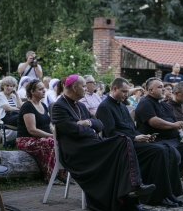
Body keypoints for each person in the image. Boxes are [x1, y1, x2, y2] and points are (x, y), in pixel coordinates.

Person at [52, 75, 156, 211]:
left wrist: (87, 123)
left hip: (91, 145)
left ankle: (131, 200)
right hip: (76, 151)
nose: (87, 89)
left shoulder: (81, 106)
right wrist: (90, 129)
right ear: (74, 87)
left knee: (123, 143)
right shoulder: (59, 107)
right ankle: (133, 188)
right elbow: (74, 131)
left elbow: (99, 125)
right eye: (83, 86)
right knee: (123, 140)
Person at [96, 77, 183, 208]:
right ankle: (157, 197)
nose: (127, 95)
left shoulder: (122, 105)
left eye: (127, 92)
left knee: (168, 149)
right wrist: (135, 138)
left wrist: (144, 136)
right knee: (160, 151)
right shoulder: (105, 107)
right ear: (114, 89)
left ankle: (169, 192)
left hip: (132, 141)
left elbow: (132, 129)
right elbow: (111, 134)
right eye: (124, 92)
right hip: (120, 146)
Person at [16, 79, 65, 183]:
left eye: (44, 88)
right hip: (26, 139)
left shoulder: (43, 105)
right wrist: (51, 136)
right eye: (40, 89)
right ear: (32, 92)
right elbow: (32, 130)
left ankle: (62, 174)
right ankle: (50, 176)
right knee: (52, 142)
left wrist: (55, 132)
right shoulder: (27, 106)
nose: (44, 91)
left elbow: (49, 124)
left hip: (43, 137)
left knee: (64, 140)